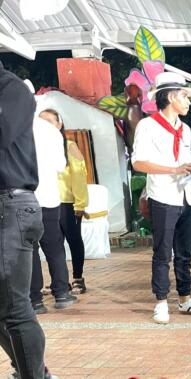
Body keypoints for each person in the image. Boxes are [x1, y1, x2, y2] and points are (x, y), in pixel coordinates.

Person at [132, 72, 191, 324]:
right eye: (184, 96)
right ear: (169, 97)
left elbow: (182, 160)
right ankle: (161, 302)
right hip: (164, 196)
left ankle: (186, 299)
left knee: (185, 252)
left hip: (187, 195)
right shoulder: (148, 126)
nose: (188, 101)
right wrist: (174, 170)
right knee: (162, 252)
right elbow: (138, 162)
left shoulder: (185, 129)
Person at [0, 61, 53, 379]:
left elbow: (3, 133)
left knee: (15, 307)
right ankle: (32, 371)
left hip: (12, 206)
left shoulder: (12, 89)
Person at [39, 109, 89, 295]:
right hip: (47, 201)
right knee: (54, 244)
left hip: (68, 203)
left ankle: (78, 278)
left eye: (49, 121)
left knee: (74, 240)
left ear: (59, 123)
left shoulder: (69, 146)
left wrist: (80, 204)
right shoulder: (39, 148)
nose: (45, 126)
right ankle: (59, 281)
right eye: (41, 122)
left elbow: (78, 177)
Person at [30, 116, 76, 313]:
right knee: (54, 247)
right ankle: (62, 293)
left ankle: (35, 300)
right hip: (48, 196)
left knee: (28, 250)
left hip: (23, 197)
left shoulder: (11, 123)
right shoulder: (50, 130)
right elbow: (60, 165)